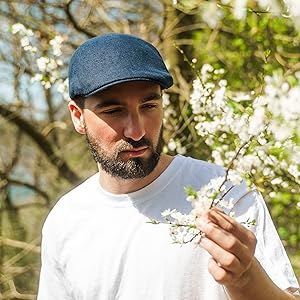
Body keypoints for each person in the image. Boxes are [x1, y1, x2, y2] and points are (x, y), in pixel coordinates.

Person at [37, 33, 299, 300]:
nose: (137, 131)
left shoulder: (227, 193)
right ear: (78, 117)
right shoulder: (65, 221)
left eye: (149, 105)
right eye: (114, 111)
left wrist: (246, 279)